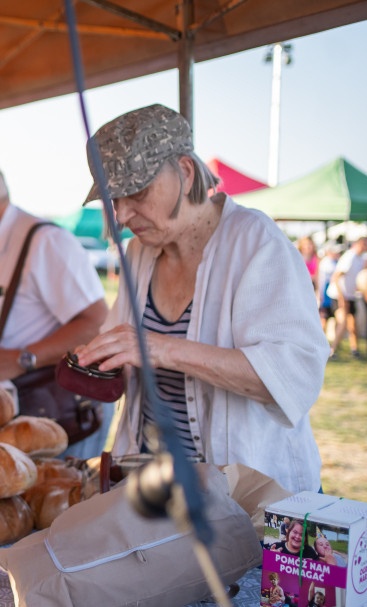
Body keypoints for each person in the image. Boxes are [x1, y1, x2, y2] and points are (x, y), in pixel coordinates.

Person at [74, 104, 329, 494]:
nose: (122, 214)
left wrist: (161, 349)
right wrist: (100, 363)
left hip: (246, 500)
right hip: (152, 491)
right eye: (113, 199)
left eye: (136, 192)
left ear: (186, 172)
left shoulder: (256, 243)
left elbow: (291, 377)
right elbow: (129, 355)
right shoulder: (139, 254)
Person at [0, 155, 109, 459]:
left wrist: (24, 358)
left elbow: (97, 323)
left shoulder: (45, 243)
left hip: (52, 428)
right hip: (6, 425)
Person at [328, 236, 367, 359]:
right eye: (366, 244)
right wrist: (341, 298)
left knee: (353, 324)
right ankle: (332, 350)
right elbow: (336, 277)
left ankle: (354, 349)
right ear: (360, 244)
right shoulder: (349, 257)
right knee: (343, 323)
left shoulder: (360, 258)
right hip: (339, 295)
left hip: (350, 296)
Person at [317, 241, 341, 335]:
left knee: (333, 318)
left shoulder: (335, 261)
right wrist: (321, 295)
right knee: (324, 318)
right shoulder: (326, 262)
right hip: (326, 294)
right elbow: (322, 280)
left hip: (332, 293)